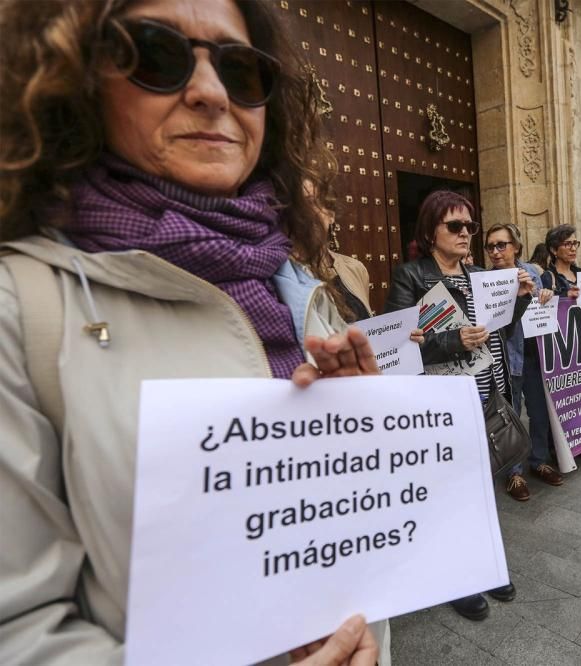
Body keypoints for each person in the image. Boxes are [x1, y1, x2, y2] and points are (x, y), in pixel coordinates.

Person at [0, 0, 385, 663]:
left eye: (242, 71)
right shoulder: (19, 309)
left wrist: (356, 446)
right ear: (77, 76)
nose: (210, 93)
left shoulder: (293, 278)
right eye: (156, 55)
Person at [383, 190, 533, 621]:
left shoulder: (481, 273)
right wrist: (451, 340)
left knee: (482, 482)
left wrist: (518, 298)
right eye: (456, 226)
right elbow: (398, 344)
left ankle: (484, 564)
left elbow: (499, 329)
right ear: (431, 232)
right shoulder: (411, 276)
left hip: (485, 390)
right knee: (449, 487)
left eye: (471, 226)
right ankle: (457, 576)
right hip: (442, 397)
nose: (467, 233)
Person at [484, 223, 562, 501]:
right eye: (490, 246)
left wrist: (547, 295)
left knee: (539, 412)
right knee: (511, 414)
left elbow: (544, 306)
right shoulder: (487, 280)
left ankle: (539, 460)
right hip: (508, 355)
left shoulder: (532, 272)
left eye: (501, 245)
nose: (495, 251)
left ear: (516, 247)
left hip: (535, 353)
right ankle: (514, 473)